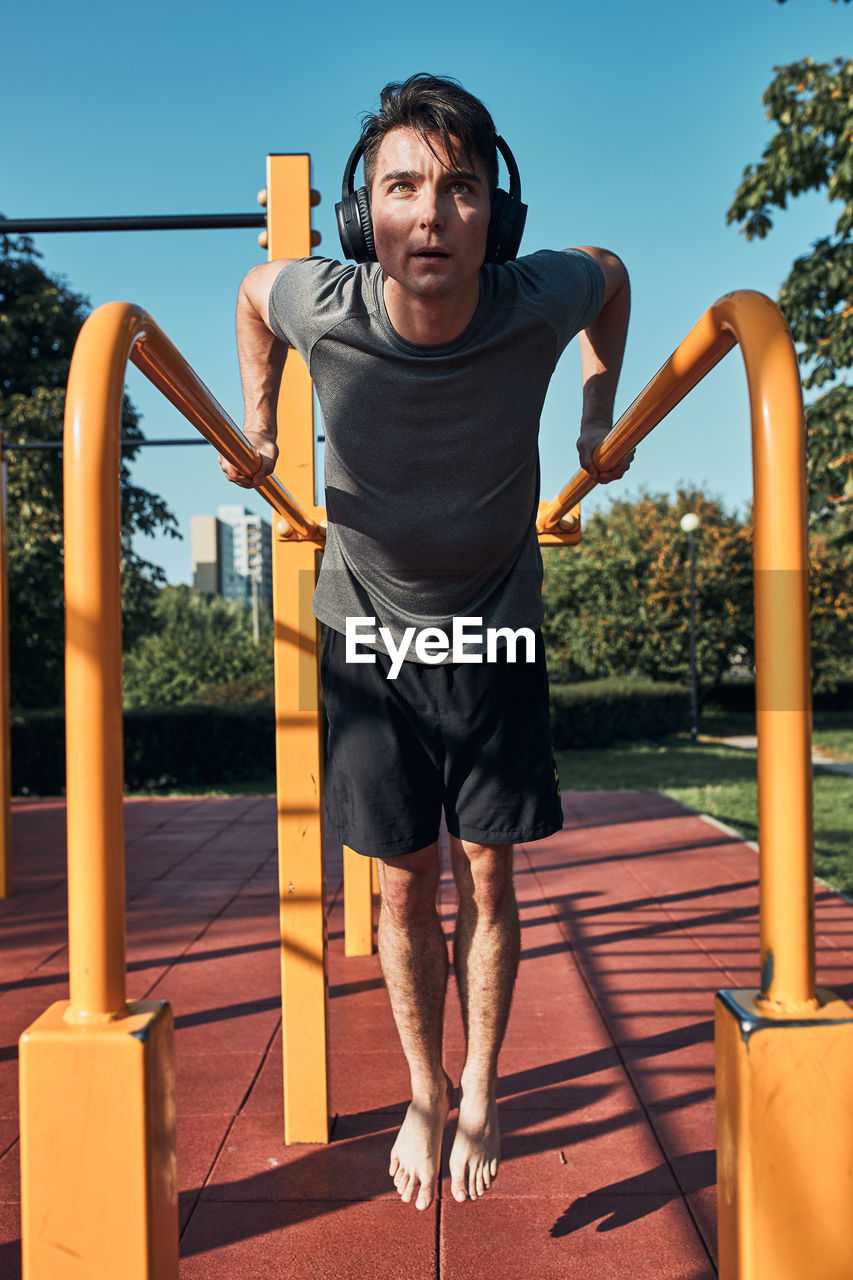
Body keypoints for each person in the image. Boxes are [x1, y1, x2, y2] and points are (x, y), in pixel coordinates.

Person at [223, 73, 631, 1213]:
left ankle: (486, 1087)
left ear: (495, 213)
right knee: (402, 892)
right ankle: (421, 1088)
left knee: (488, 875)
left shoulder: (536, 293)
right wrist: (258, 421)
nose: (432, 215)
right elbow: (254, 292)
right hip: (363, 631)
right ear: (367, 218)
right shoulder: (325, 299)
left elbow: (614, 277)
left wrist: (597, 411)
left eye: (459, 188)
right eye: (402, 188)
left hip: (492, 625)